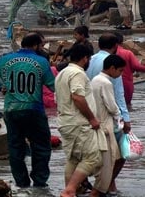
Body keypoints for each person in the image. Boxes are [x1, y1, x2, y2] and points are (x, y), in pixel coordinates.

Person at [0, 32, 55, 187]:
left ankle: (21, 183)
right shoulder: (41, 61)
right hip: (34, 110)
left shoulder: (4, 60)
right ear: (35, 45)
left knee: (15, 147)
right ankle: (39, 181)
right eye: (41, 45)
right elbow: (52, 86)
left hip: (12, 110)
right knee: (41, 146)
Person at [54, 44, 103, 197]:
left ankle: (72, 189)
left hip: (66, 121)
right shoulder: (77, 74)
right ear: (85, 58)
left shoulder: (62, 73)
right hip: (78, 122)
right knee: (93, 158)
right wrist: (92, 118)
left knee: (74, 158)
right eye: (89, 59)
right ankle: (70, 190)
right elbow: (77, 97)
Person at [85, 33, 131, 195]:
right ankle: (106, 184)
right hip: (107, 120)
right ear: (115, 46)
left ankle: (93, 184)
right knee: (118, 155)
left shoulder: (88, 61)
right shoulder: (112, 66)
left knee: (95, 153)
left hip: (90, 116)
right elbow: (118, 97)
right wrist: (125, 119)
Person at [90, 54, 125, 197]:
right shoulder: (106, 83)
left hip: (97, 124)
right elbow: (112, 106)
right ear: (112, 68)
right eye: (120, 70)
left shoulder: (95, 80)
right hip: (105, 125)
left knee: (106, 160)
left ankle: (99, 188)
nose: (120, 74)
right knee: (108, 161)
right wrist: (121, 119)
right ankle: (98, 191)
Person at [113, 32, 145, 109]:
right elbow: (137, 66)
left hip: (111, 83)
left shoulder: (107, 54)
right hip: (126, 83)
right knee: (126, 106)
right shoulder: (127, 53)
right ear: (122, 41)